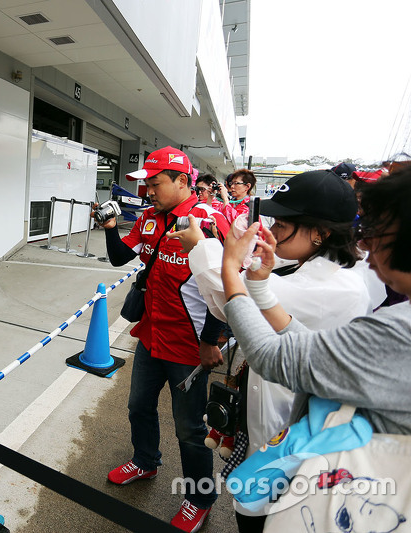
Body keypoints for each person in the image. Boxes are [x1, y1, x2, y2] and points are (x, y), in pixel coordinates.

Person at [167, 170, 374, 532]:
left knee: (268, 516)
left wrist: (204, 248)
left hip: (290, 427)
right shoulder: (306, 263)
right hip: (272, 416)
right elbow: (243, 288)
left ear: (321, 233)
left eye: (282, 223)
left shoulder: (338, 288)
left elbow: (237, 301)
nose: (273, 231)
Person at [220, 167, 411, 531]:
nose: (365, 243)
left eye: (377, 231)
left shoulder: (397, 330)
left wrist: (231, 269)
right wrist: (257, 283)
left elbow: (272, 356)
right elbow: (310, 345)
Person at [94, 146, 231, 532]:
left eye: (156, 183)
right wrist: (109, 229)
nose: (148, 191)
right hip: (151, 336)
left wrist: (210, 341)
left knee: (190, 429)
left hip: (189, 347)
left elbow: (222, 289)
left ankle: (200, 498)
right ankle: (145, 460)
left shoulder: (208, 220)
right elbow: (122, 258)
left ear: (183, 181)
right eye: (147, 184)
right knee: (138, 405)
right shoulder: (151, 218)